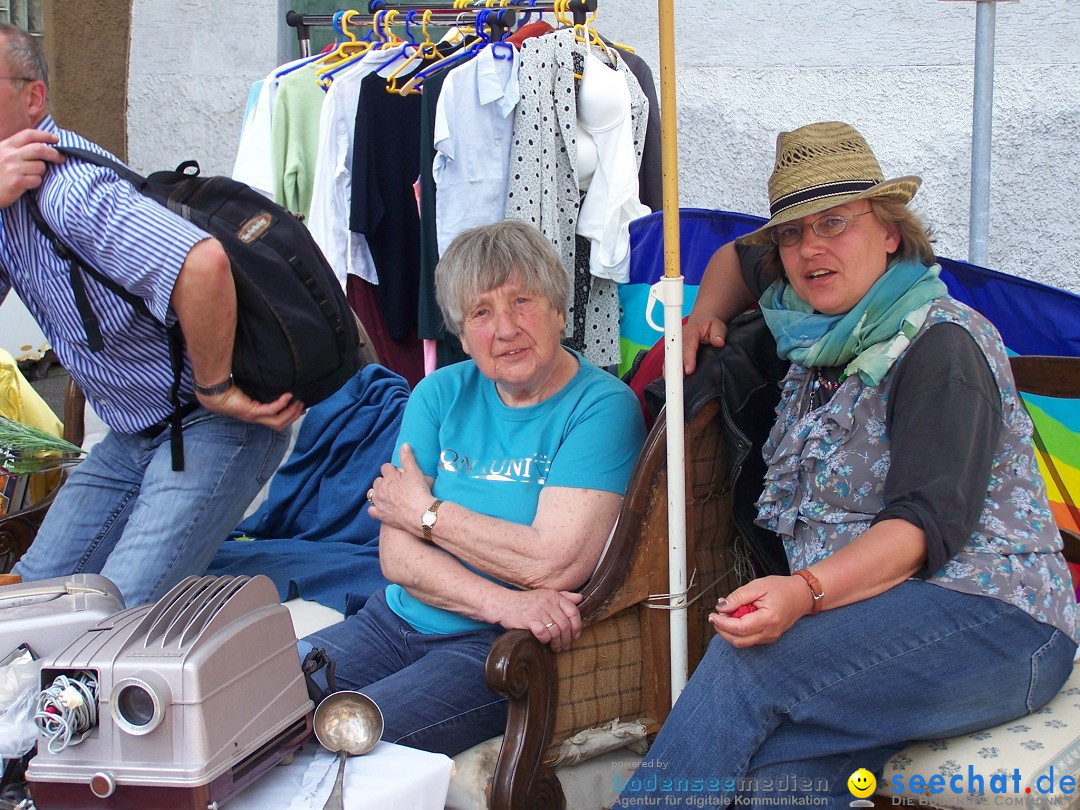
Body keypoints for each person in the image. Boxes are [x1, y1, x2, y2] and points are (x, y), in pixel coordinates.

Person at [616, 121, 1078, 807]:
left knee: (751, 667)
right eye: (794, 233)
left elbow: (921, 528)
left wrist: (803, 593)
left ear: (891, 231)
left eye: (835, 223)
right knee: (782, 773)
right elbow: (739, 261)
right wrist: (703, 315)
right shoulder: (813, 328)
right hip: (877, 617)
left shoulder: (939, 346)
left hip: (1001, 626)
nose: (811, 249)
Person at [299, 219, 646, 757]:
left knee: (347, 737)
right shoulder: (438, 394)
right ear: (462, 335)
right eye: (481, 312)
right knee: (248, 703)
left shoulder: (602, 407)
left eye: (522, 301)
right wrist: (505, 602)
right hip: (391, 619)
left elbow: (551, 563)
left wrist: (424, 513)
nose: (505, 329)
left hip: (492, 652)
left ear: (559, 311)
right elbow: (397, 558)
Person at [0, 24, 301, 605]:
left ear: (32, 98)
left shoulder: (71, 191)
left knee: (116, 615)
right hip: (135, 431)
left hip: (211, 423)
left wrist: (216, 387)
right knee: (29, 603)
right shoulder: (11, 193)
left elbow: (202, 263)